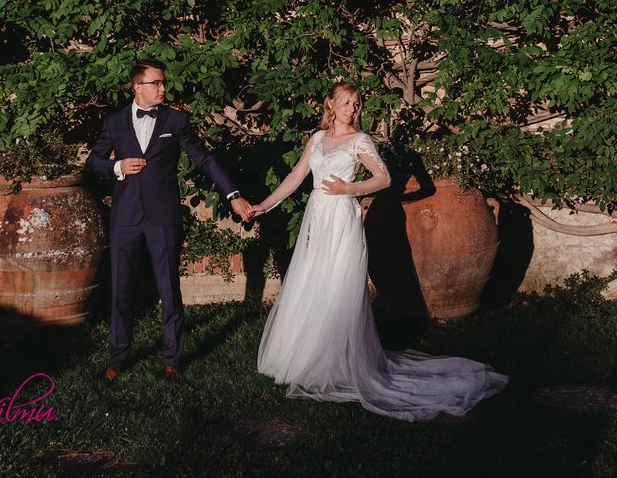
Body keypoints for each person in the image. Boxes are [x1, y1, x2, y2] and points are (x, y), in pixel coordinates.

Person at [250, 82, 509, 420]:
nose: (352, 109)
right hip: (317, 218)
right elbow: (296, 176)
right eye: (346, 103)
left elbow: (383, 178)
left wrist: (349, 188)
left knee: (338, 285)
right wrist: (264, 205)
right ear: (330, 104)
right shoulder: (317, 138)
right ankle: (302, 355)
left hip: (341, 218)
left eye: (356, 104)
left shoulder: (360, 140)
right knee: (313, 281)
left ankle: (335, 361)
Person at [86, 59, 253, 382]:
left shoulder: (176, 120)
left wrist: (233, 195)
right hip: (125, 217)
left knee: (169, 288)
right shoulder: (114, 122)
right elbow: (93, 163)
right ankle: (118, 357)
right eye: (156, 83)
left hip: (163, 216)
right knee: (120, 289)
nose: (163, 88)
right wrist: (117, 167)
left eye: (163, 82)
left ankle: (172, 358)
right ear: (137, 87)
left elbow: (204, 159)